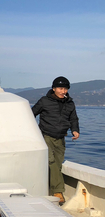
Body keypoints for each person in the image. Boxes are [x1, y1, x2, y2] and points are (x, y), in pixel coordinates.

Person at [32, 76, 80, 204]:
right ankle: (58, 192)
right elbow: (31, 114)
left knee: (57, 165)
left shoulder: (70, 103)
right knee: (51, 162)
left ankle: (48, 189)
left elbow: (73, 119)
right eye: (60, 88)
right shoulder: (44, 101)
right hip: (45, 136)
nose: (63, 91)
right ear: (53, 88)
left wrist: (75, 130)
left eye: (65, 89)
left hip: (61, 138)